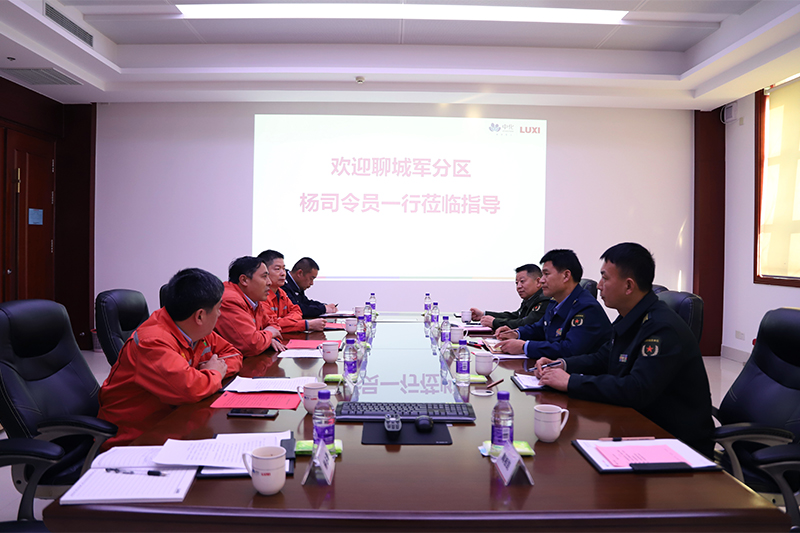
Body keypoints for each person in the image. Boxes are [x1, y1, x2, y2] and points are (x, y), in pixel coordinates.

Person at [535, 243, 714, 457]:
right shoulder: (630, 316)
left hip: (675, 442)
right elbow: (603, 358)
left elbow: (636, 389)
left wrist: (570, 382)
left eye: (605, 278)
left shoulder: (662, 328)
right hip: (639, 423)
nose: (599, 286)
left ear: (629, 286)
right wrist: (562, 365)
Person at [98, 268, 242, 448]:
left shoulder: (196, 330)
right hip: (135, 440)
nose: (220, 314)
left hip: (175, 420)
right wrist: (214, 373)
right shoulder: (153, 342)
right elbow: (190, 389)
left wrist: (209, 373)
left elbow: (234, 354)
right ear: (199, 316)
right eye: (218, 308)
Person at [496, 249, 611, 359]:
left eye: (546, 274)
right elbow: (540, 328)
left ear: (566, 276)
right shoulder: (554, 302)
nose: (541, 280)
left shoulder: (587, 308)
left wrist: (525, 347)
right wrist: (516, 333)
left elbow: (569, 349)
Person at [215, 256, 286, 357]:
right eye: (264, 277)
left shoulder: (254, 299)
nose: (269, 282)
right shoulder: (230, 300)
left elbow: (275, 325)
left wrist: (265, 338)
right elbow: (251, 345)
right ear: (244, 280)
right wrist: (269, 334)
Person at [257, 249, 326, 332]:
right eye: (277, 269)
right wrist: (306, 325)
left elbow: (297, 310)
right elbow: (272, 325)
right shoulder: (260, 296)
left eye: (284, 268)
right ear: (264, 272)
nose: (283, 273)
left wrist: (286, 321)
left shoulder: (281, 292)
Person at [470, 264, 550, 330]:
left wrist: (495, 322)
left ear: (538, 282)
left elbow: (526, 323)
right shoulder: (531, 298)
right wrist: (483, 314)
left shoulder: (544, 299)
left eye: (522, 281)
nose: (518, 286)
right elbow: (515, 316)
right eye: (516, 283)